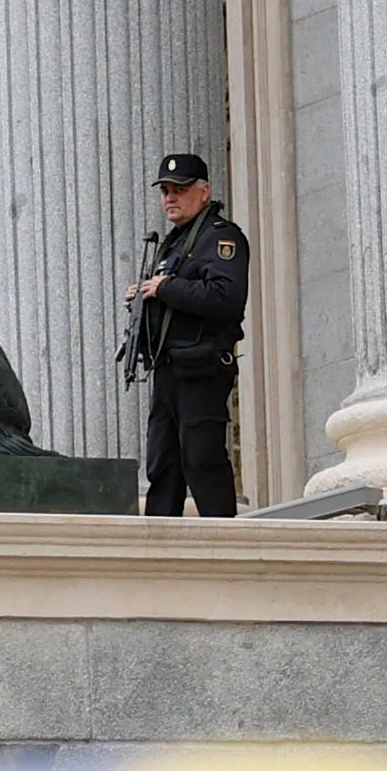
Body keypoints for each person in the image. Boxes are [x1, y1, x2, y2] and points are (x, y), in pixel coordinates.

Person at [129, 152, 250, 517]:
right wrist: (142, 299)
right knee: (162, 466)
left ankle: (225, 547)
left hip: (201, 366)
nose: (170, 197)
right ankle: (158, 559)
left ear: (204, 192)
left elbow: (226, 298)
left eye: (180, 189)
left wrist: (165, 289)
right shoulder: (173, 244)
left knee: (202, 458)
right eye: (166, 190)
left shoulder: (220, 238)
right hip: (168, 368)